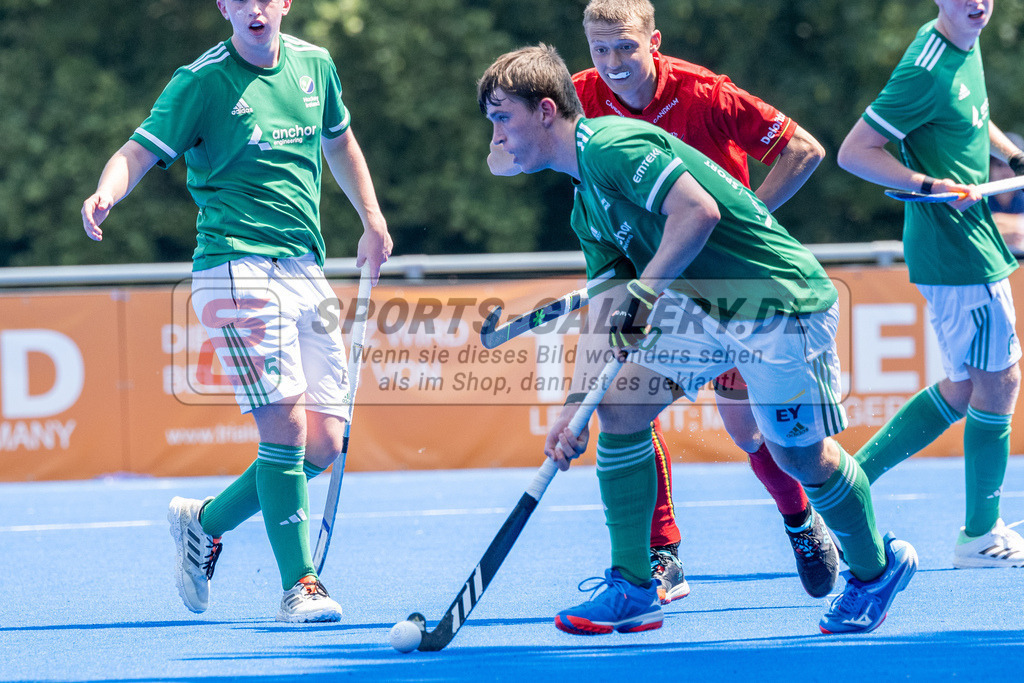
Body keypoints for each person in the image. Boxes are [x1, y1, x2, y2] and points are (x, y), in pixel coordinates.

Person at [478, 44, 917, 636]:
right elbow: (606, 311)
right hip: (711, 308)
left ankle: (874, 571)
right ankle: (634, 586)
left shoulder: (612, 145)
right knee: (617, 405)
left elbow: (698, 213)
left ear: (547, 110)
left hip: (778, 301)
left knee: (797, 456)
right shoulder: (587, 206)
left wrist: (647, 291)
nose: (498, 136)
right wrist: (571, 408)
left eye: (503, 118)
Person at [81, 0, 392, 621]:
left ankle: (205, 523)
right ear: (224, 7)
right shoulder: (200, 80)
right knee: (286, 425)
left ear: (284, 4)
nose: (254, 8)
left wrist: (372, 219)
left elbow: (341, 142)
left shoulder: (316, 65)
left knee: (324, 443)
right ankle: (300, 585)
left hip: (307, 265)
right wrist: (106, 192)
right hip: (234, 266)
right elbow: (138, 151)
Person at [837, 0, 1024, 568]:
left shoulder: (965, 40)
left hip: (965, 243)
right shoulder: (925, 66)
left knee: (967, 385)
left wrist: (1012, 155)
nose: (977, 3)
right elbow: (854, 153)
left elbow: (969, 116)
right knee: (1001, 380)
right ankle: (979, 535)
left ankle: (842, 487)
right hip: (957, 249)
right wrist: (926, 183)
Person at [988, 132, 1024, 252]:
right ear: (989, 168)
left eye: (1012, 166)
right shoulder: (979, 195)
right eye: (999, 165)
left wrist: (996, 222)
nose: (1006, 172)